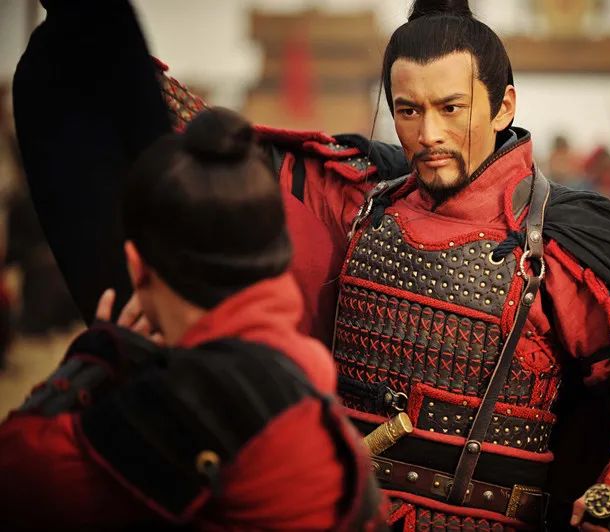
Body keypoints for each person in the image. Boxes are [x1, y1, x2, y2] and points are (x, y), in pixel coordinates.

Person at [13, 0, 610, 530]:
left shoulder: (559, 246)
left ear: (504, 106)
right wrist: (100, 30)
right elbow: (215, 145)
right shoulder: (361, 197)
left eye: (451, 108)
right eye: (408, 110)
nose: (428, 134)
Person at [0, 108, 382, 530]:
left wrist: (95, 361)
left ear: (137, 267)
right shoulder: (304, 365)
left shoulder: (202, 394)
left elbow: (16, 471)